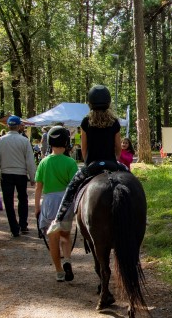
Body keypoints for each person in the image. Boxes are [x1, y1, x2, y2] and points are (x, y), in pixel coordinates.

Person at [46, 85, 125, 235]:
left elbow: (84, 148)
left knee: (71, 187)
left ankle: (58, 219)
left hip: (92, 165)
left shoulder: (86, 122)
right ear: (108, 102)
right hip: (111, 163)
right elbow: (118, 148)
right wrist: (116, 161)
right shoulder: (114, 122)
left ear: (90, 103)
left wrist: (87, 163)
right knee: (131, 179)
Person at [34, 126, 79, 282]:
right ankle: (67, 259)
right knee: (65, 235)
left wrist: (37, 208)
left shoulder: (43, 163)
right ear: (66, 142)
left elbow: (38, 187)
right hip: (66, 202)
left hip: (49, 202)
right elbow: (75, 186)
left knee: (53, 238)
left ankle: (59, 271)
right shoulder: (71, 162)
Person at [0, 115, 36, 237]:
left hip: (6, 175)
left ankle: (14, 228)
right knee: (23, 199)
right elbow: (30, 161)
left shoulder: (1, 140)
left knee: (8, 202)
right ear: (19, 126)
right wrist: (33, 177)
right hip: (21, 175)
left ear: (8, 126)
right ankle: (23, 225)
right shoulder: (24, 141)